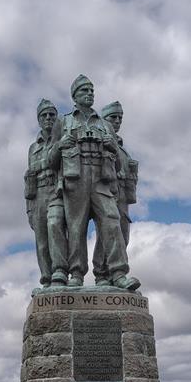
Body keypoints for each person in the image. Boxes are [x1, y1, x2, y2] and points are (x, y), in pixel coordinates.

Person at [48, 75, 140, 290]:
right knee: (75, 227)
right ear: (74, 96)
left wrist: (113, 147)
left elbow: (118, 165)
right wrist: (61, 144)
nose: (89, 94)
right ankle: (76, 274)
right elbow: (51, 161)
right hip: (76, 179)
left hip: (101, 180)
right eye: (84, 91)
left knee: (112, 221)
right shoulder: (64, 121)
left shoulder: (104, 124)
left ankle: (118, 274)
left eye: (91, 91)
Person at [92, 101, 138, 285]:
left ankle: (112, 276)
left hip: (123, 197)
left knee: (123, 236)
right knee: (108, 232)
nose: (117, 121)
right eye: (113, 117)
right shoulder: (101, 142)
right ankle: (102, 273)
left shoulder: (122, 148)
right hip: (105, 191)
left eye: (120, 118)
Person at [25, 99, 68, 287]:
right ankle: (47, 279)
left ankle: (60, 271)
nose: (49, 118)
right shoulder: (33, 148)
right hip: (37, 196)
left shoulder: (62, 139)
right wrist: (29, 210)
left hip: (56, 192)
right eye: (44, 115)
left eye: (52, 114)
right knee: (41, 241)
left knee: (54, 225)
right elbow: (29, 178)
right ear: (39, 119)